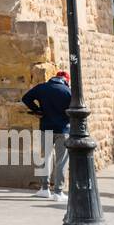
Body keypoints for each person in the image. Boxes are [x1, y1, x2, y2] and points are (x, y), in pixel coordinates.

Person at [21, 70, 71, 201]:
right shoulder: (68, 91)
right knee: (62, 161)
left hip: (45, 128)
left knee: (45, 158)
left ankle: (44, 188)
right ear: (66, 80)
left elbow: (25, 98)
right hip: (63, 129)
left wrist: (37, 110)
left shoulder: (42, 87)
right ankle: (58, 192)